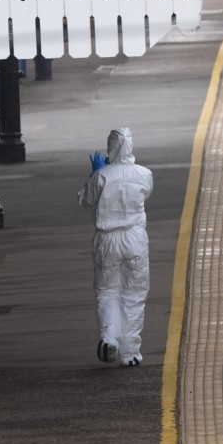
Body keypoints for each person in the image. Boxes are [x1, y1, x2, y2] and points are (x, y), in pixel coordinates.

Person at [77, 127, 154, 368]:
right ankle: (131, 353)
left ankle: (109, 338)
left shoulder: (102, 176)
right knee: (134, 295)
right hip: (135, 237)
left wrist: (95, 174)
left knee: (107, 291)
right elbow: (145, 195)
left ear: (110, 146)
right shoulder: (144, 174)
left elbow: (85, 200)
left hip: (107, 239)